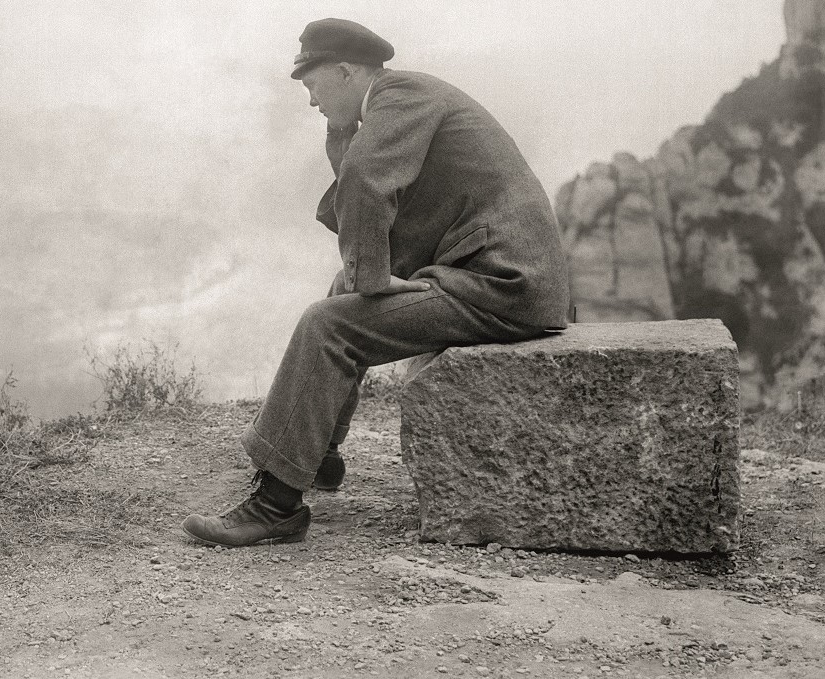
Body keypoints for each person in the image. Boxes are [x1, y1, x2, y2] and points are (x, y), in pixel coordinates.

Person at [181, 18, 570, 547]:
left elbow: (366, 179)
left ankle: (276, 507)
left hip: (503, 284)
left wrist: (370, 277)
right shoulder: (397, 98)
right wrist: (362, 269)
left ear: (344, 72)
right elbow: (368, 183)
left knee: (328, 325)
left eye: (313, 85)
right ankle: (317, 456)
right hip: (493, 273)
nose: (311, 101)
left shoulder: (402, 97)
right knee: (344, 289)